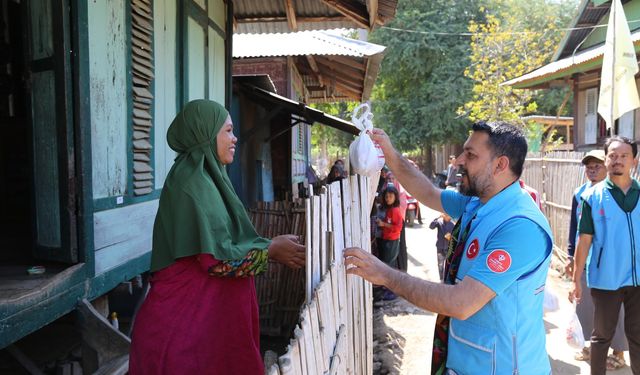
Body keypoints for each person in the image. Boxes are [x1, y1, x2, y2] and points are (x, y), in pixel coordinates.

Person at [345, 121, 553, 375]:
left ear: (501, 164)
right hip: (467, 360)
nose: (459, 162)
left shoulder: (520, 227)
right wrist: (390, 153)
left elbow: (461, 302)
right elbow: (428, 192)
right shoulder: (478, 204)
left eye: (471, 155)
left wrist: (386, 275)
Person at [129, 100, 305, 375]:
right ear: (206, 133)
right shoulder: (191, 185)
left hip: (202, 327)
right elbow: (217, 262)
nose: (235, 138)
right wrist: (270, 250)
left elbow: (227, 244)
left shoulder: (210, 180)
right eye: (228, 130)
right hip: (181, 332)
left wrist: (269, 246)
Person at [570, 136, 640, 375]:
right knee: (601, 337)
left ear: (635, 161)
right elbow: (584, 238)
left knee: (638, 336)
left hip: (639, 280)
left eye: (624, 156)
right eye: (613, 156)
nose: (618, 160)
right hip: (606, 278)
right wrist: (576, 278)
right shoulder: (592, 197)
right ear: (606, 159)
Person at [429, 213, 455, 280]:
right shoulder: (439, 222)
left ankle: (447, 278)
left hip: (448, 248)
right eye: (444, 214)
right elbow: (431, 226)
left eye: (447, 215)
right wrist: (437, 218)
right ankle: (441, 279)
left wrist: (450, 237)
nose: (446, 216)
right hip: (440, 247)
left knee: (449, 264)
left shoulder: (453, 224)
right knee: (440, 265)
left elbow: (456, 237)